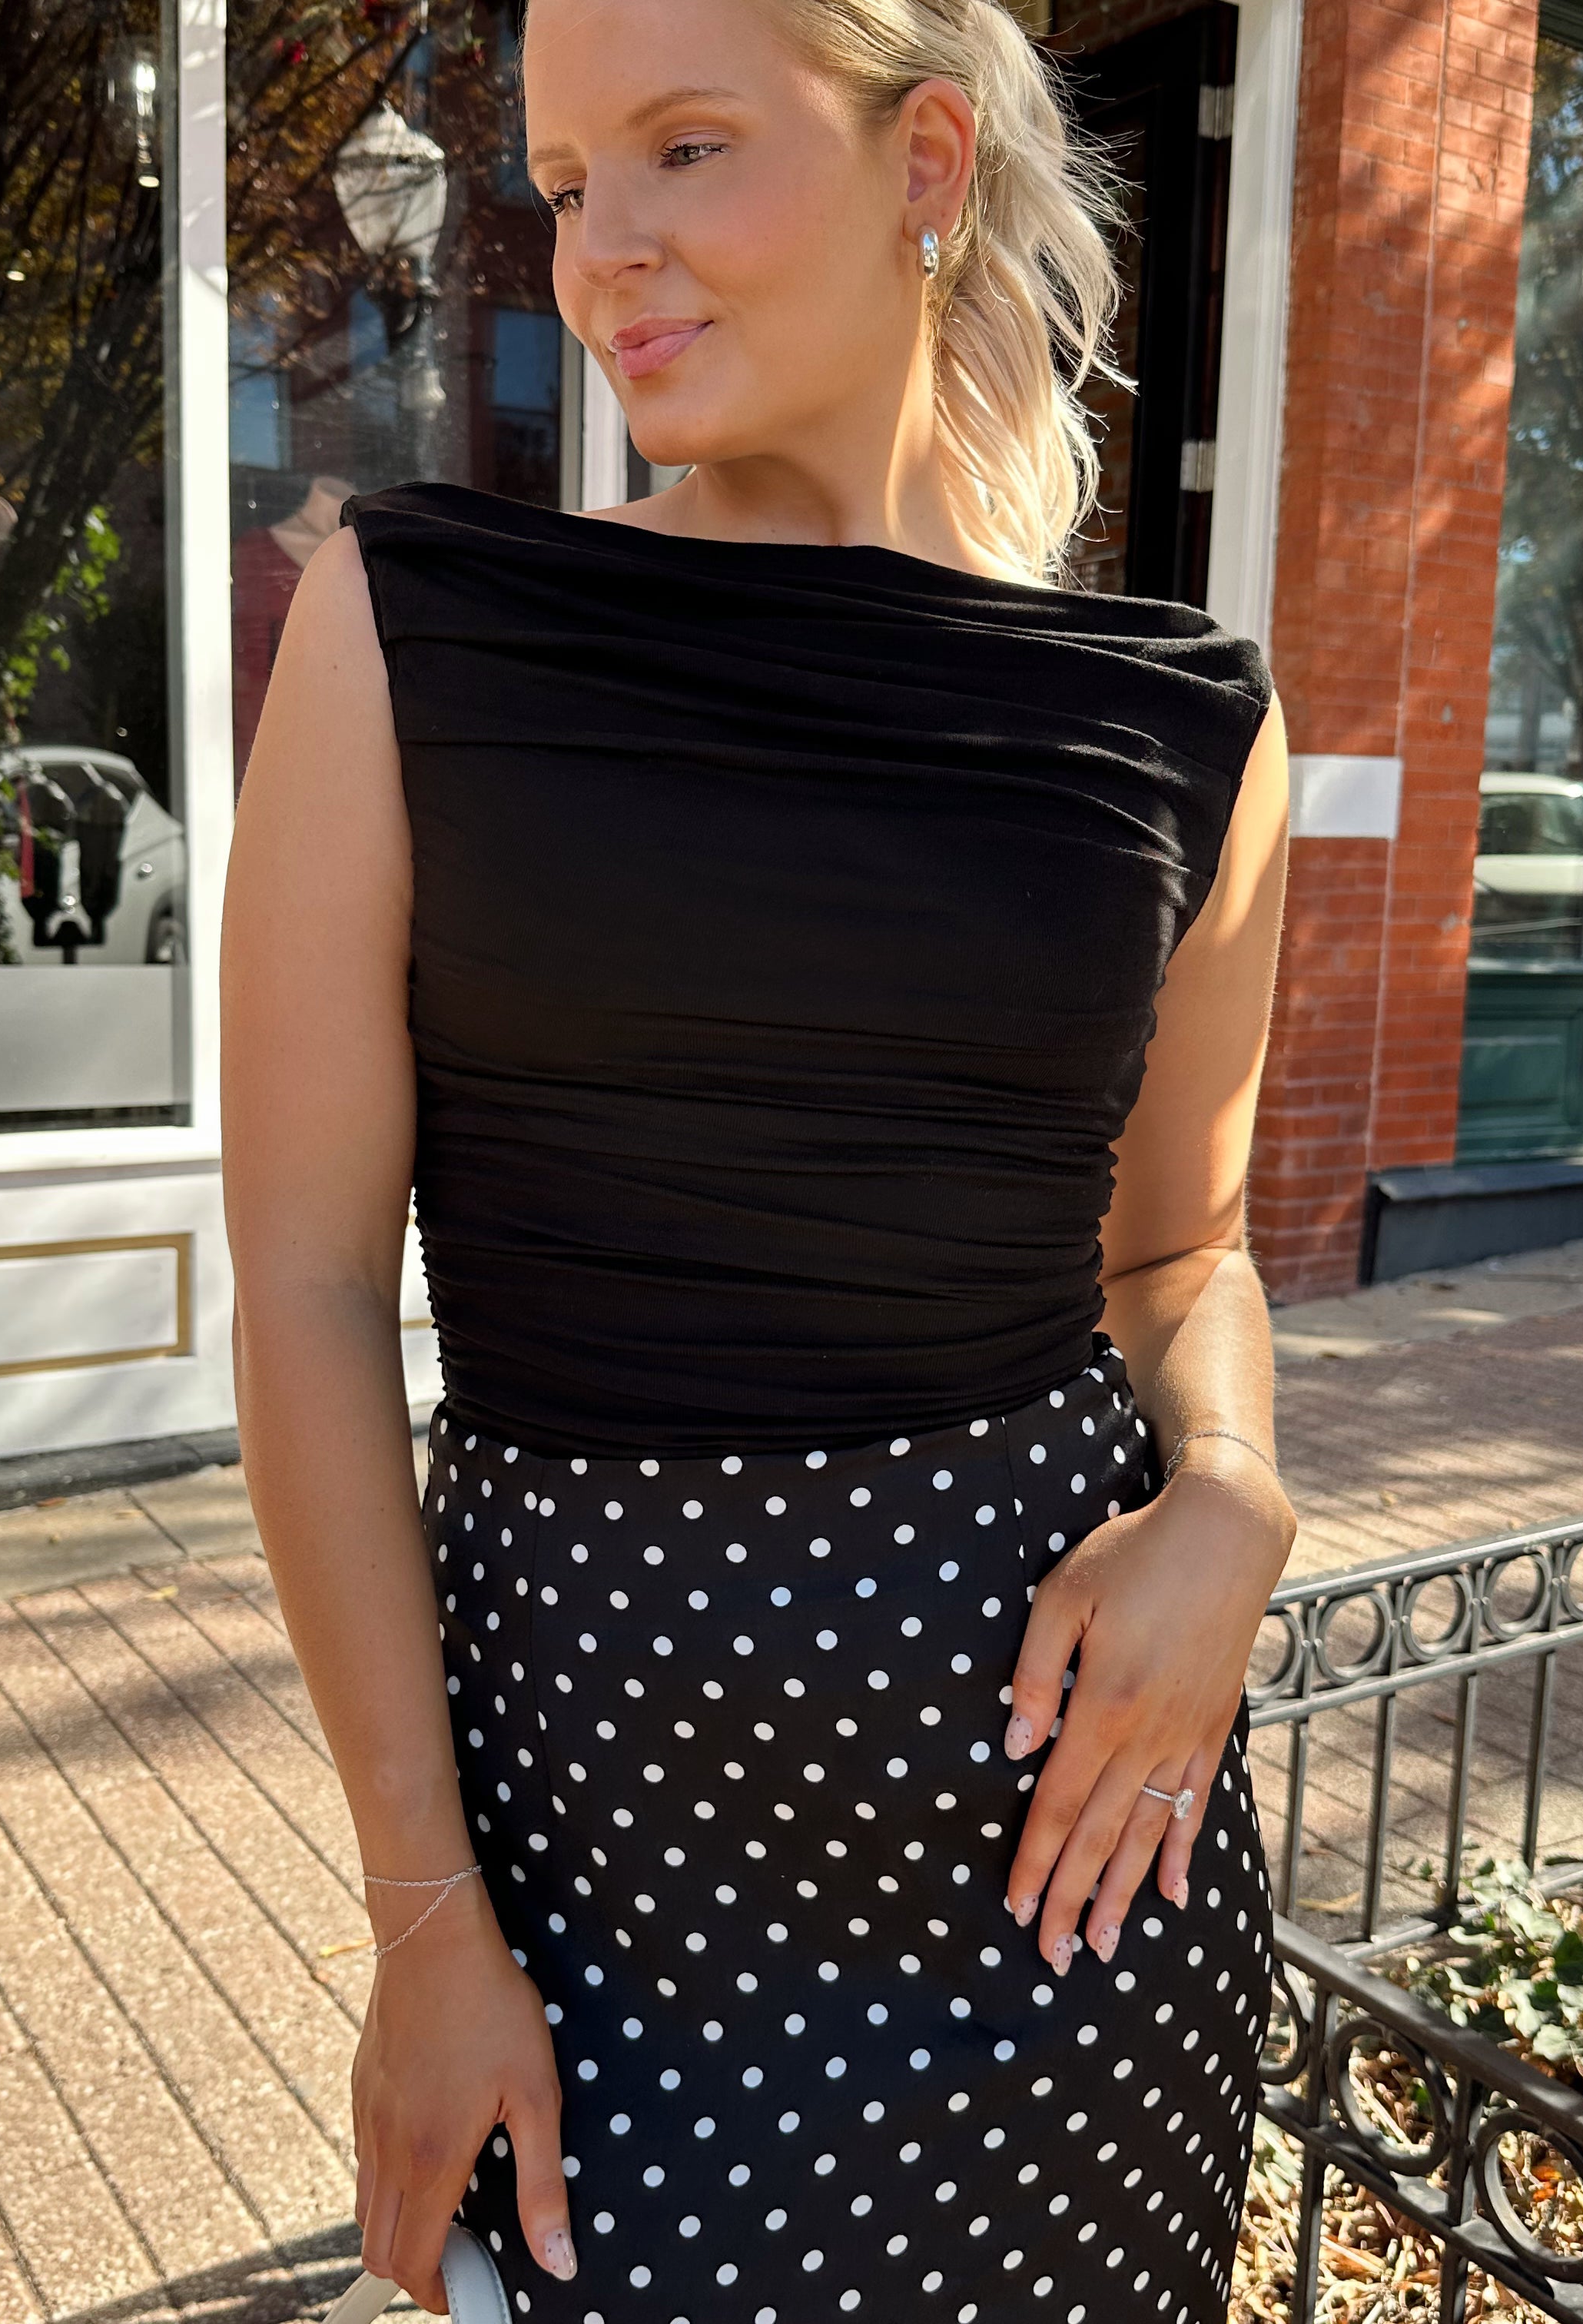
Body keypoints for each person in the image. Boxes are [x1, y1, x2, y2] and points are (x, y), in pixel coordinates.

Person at [221, 0, 1294, 2316]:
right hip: (612, 1896)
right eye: (573, 179)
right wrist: (425, 1924)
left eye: (686, 150)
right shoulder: (415, 628)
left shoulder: (1179, 717)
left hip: (1077, 1889)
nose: (603, 247)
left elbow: (1183, 1242)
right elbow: (308, 1294)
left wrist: (1230, 1491)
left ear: (925, 162)